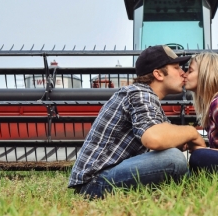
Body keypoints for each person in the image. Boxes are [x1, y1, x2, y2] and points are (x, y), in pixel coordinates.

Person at [69, 45, 206, 198]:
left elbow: (170, 138)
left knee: (174, 156)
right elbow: (154, 139)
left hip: (104, 176)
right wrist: (191, 131)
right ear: (159, 74)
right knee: (173, 159)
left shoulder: (147, 98)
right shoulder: (139, 93)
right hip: (95, 182)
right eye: (176, 67)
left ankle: (196, 185)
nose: (183, 73)